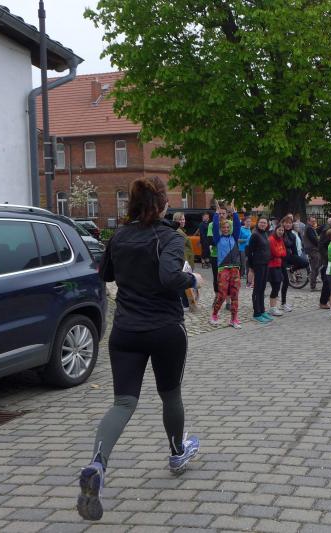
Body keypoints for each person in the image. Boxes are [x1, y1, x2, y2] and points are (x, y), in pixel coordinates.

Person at [79, 177, 202, 521]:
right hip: (165, 330)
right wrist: (193, 278)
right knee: (170, 394)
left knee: (123, 403)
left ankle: (97, 465)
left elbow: (105, 274)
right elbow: (169, 278)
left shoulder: (119, 236)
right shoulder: (170, 237)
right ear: (161, 205)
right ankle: (177, 453)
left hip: (126, 332)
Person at [211, 207, 242, 327]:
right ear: (221, 229)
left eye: (228, 227)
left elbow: (238, 226)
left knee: (235, 295)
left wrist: (234, 213)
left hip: (235, 269)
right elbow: (214, 227)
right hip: (223, 269)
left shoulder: (234, 237)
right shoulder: (218, 239)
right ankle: (214, 315)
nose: (226, 229)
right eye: (224, 227)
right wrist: (216, 214)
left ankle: (234, 319)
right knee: (222, 295)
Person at [247, 217, 273, 324]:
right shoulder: (255, 235)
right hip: (258, 265)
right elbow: (249, 251)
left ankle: (262, 311)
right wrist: (251, 267)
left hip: (265, 264)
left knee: (262, 288)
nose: (263, 224)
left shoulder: (265, 234)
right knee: (257, 289)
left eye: (265, 223)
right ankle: (256, 313)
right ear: (258, 223)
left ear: (267, 224)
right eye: (261, 222)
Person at [172, 212, 195, 311]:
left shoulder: (180, 230)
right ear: (175, 220)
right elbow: (181, 248)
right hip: (184, 260)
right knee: (183, 282)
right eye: (180, 219)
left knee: (183, 282)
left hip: (186, 259)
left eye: (183, 219)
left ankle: (185, 303)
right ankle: (185, 304)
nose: (183, 221)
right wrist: (186, 263)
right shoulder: (178, 232)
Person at [268, 224, 287, 316]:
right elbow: (275, 252)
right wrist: (280, 253)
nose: (281, 232)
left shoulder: (281, 239)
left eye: (282, 230)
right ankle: (272, 308)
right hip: (272, 266)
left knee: (277, 286)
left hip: (278, 264)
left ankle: (274, 307)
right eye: (279, 230)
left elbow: (284, 253)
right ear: (276, 230)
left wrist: (280, 253)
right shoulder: (271, 239)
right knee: (275, 287)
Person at [303, 215, 320, 291]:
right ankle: (313, 286)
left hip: (311, 249)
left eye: (314, 221)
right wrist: (320, 243)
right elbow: (314, 239)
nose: (313, 222)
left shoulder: (309, 228)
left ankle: (313, 282)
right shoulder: (309, 228)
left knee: (315, 267)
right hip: (312, 250)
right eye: (312, 221)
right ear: (308, 221)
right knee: (315, 268)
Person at [238, 216, 251, 281]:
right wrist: (246, 240)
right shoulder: (241, 229)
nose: (249, 223)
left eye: (250, 221)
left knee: (247, 262)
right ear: (244, 222)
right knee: (243, 263)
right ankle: (241, 275)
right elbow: (237, 240)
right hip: (242, 248)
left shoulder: (249, 229)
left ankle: (244, 274)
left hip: (248, 248)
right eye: (247, 221)